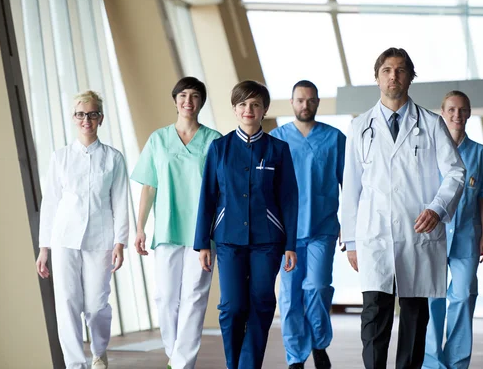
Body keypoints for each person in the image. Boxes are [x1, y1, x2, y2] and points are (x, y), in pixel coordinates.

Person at [340, 47, 466, 369]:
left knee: (414, 319)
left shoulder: (431, 123)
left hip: (416, 235)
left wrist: (438, 208)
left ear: (411, 76)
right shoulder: (359, 127)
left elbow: (455, 172)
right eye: (386, 70)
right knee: (373, 319)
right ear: (377, 77)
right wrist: (352, 241)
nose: (393, 76)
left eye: (400, 70)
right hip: (374, 236)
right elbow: (351, 187)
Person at [194, 80, 299, 369]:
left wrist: (290, 244)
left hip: (268, 240)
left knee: (262, 302)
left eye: (255, 104)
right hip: (228, 240)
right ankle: (235, 364)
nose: (248, 109)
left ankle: (248, 364)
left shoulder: (278, 150)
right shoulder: (219, 148)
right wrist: (203, 242)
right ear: (234, 109)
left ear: (264, 109)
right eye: (242, 104)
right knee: (231, 307)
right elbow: (208, 196)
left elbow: (289, 198)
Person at [131, 77, 222, 369]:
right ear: (175, 100)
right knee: (166, 297)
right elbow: (149, 186)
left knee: (194, 298)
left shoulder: (214, 141)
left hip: (202, 232)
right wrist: (139, 227)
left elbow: (221, 189)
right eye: (183, 95)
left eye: (195, 96)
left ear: (201, 102)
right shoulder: (158, 139)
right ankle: (174, 355)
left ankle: (182, 364)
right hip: (168, 228)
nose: (188, 101)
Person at [36, 90, 128, 369]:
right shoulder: (60, 157)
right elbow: (50, 202)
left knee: (97, 305)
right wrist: (44, 249)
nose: (86, 119)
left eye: (92, 114)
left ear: (100, 118)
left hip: (101, 240)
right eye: (80, 114)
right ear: (73, 118)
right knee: (66, 304)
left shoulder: (113, 158)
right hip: (64, 240)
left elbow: (121, 201)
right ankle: (75, 364)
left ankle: (99, 351)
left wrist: (120, 243)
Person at [270, 80, 346, 369]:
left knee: (317, 287)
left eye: (311, 100)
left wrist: (348, 227)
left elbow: (349, 186)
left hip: (322, 229)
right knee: (290, 297)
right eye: (300, 100)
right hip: (286, 233)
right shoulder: (276, 140)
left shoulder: (335, 139)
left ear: (317, 103)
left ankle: (318, 342)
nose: (305, 105)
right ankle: (295, 357)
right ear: (292, 103)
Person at [423, 91, 483, 369]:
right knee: (432, 297)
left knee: (464, 294)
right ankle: (432, 362)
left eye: (463, 110)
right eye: (452, 109)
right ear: (442, 112)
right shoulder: (428, 152)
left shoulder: (481, 154)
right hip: (432, 236)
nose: (458, 115)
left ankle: (456, 361)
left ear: (469, 113)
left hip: (468, 235)